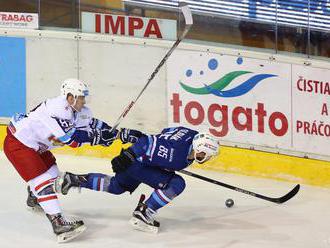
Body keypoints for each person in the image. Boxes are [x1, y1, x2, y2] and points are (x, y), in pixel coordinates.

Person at [3, 78, 142, 242]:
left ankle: (34, 196)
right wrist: (98, 139)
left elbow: (93, 124)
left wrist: (118, 134)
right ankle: (59, 225)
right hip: (20, 144)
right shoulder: (56, 109)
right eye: (81, 97)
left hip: (39, 147)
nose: (83, 101)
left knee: (55, 178)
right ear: (70, 97)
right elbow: (73, 140)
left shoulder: (77, 109)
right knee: (44, 182)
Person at [55, 126, 220, 233]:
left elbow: (164, 132)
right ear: (200, 150)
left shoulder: (190, 133)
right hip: (136, 163)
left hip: (137, 162)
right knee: (176, 183)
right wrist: (130, 155)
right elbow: (149, 143)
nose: (207, 158)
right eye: (206, 155)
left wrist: (132, 154)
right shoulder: (177, 157)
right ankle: (144, 212)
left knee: (116, 187)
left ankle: (74, 179)